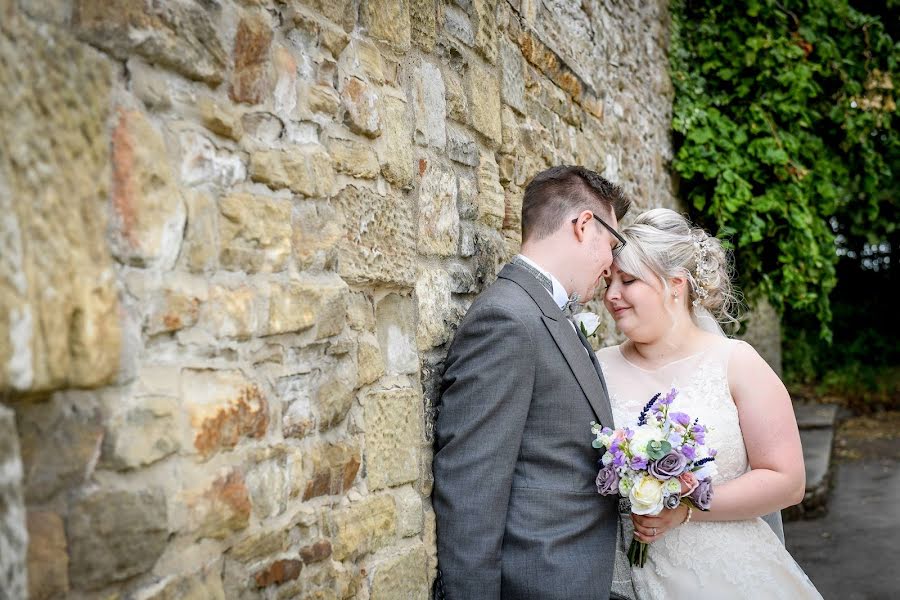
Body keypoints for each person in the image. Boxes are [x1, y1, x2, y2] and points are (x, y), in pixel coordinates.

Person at [595, 208, 822, 599]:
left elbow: (788, 481)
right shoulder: (596, 367)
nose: (612, 295)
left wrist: (686, 507)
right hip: (624, 577)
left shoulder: (737, 363)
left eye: (628, 280)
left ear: (675, 285)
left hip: (726, 576)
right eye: (608, 281)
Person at [432, 166, 631, 599]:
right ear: (583, 226)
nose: (611, 264)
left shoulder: (540, 310)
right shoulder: (507, 319)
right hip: (537, 584)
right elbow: (472, 488)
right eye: (612, 245)